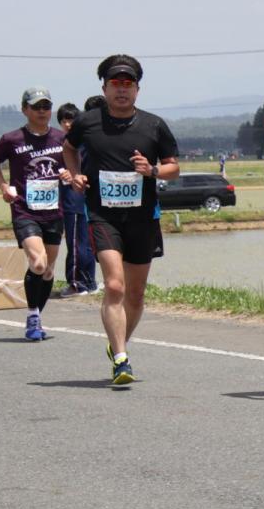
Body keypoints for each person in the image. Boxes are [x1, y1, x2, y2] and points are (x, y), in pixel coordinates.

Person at [63, 55, 179, 385]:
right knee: (115, 284)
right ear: (104, 87)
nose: (122, 90)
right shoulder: (88, 122)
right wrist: (76, 175)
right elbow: (68, 149)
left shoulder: (154, 125)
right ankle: (122, 360)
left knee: (136, 295)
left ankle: (117, 345)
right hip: (102, 214)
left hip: (143, 216)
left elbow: (174, 167)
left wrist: (153, 169)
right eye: (116, 84)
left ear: (138, 90)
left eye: (128, 84)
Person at [0, 87, 67, 340]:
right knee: (38, 262)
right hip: (24, 209)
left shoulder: (61, 138)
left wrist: (68, 174)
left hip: (54, 210)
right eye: (36, 107)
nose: (42, 111)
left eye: (46, 106)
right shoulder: (12, 139)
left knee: (48, 270)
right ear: (25, 110)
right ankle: (32, 315)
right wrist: (3, 186)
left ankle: (37, 318)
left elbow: (72, 164)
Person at [55, 102, 97, 297]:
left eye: (71, 119)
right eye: (64, 120)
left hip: (78, 198)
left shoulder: (79, 142)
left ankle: (78, 284)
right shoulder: (60, 142)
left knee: (80, 243)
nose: (68, 124)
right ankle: (86, 283)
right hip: (73, 198)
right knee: (80, 242)